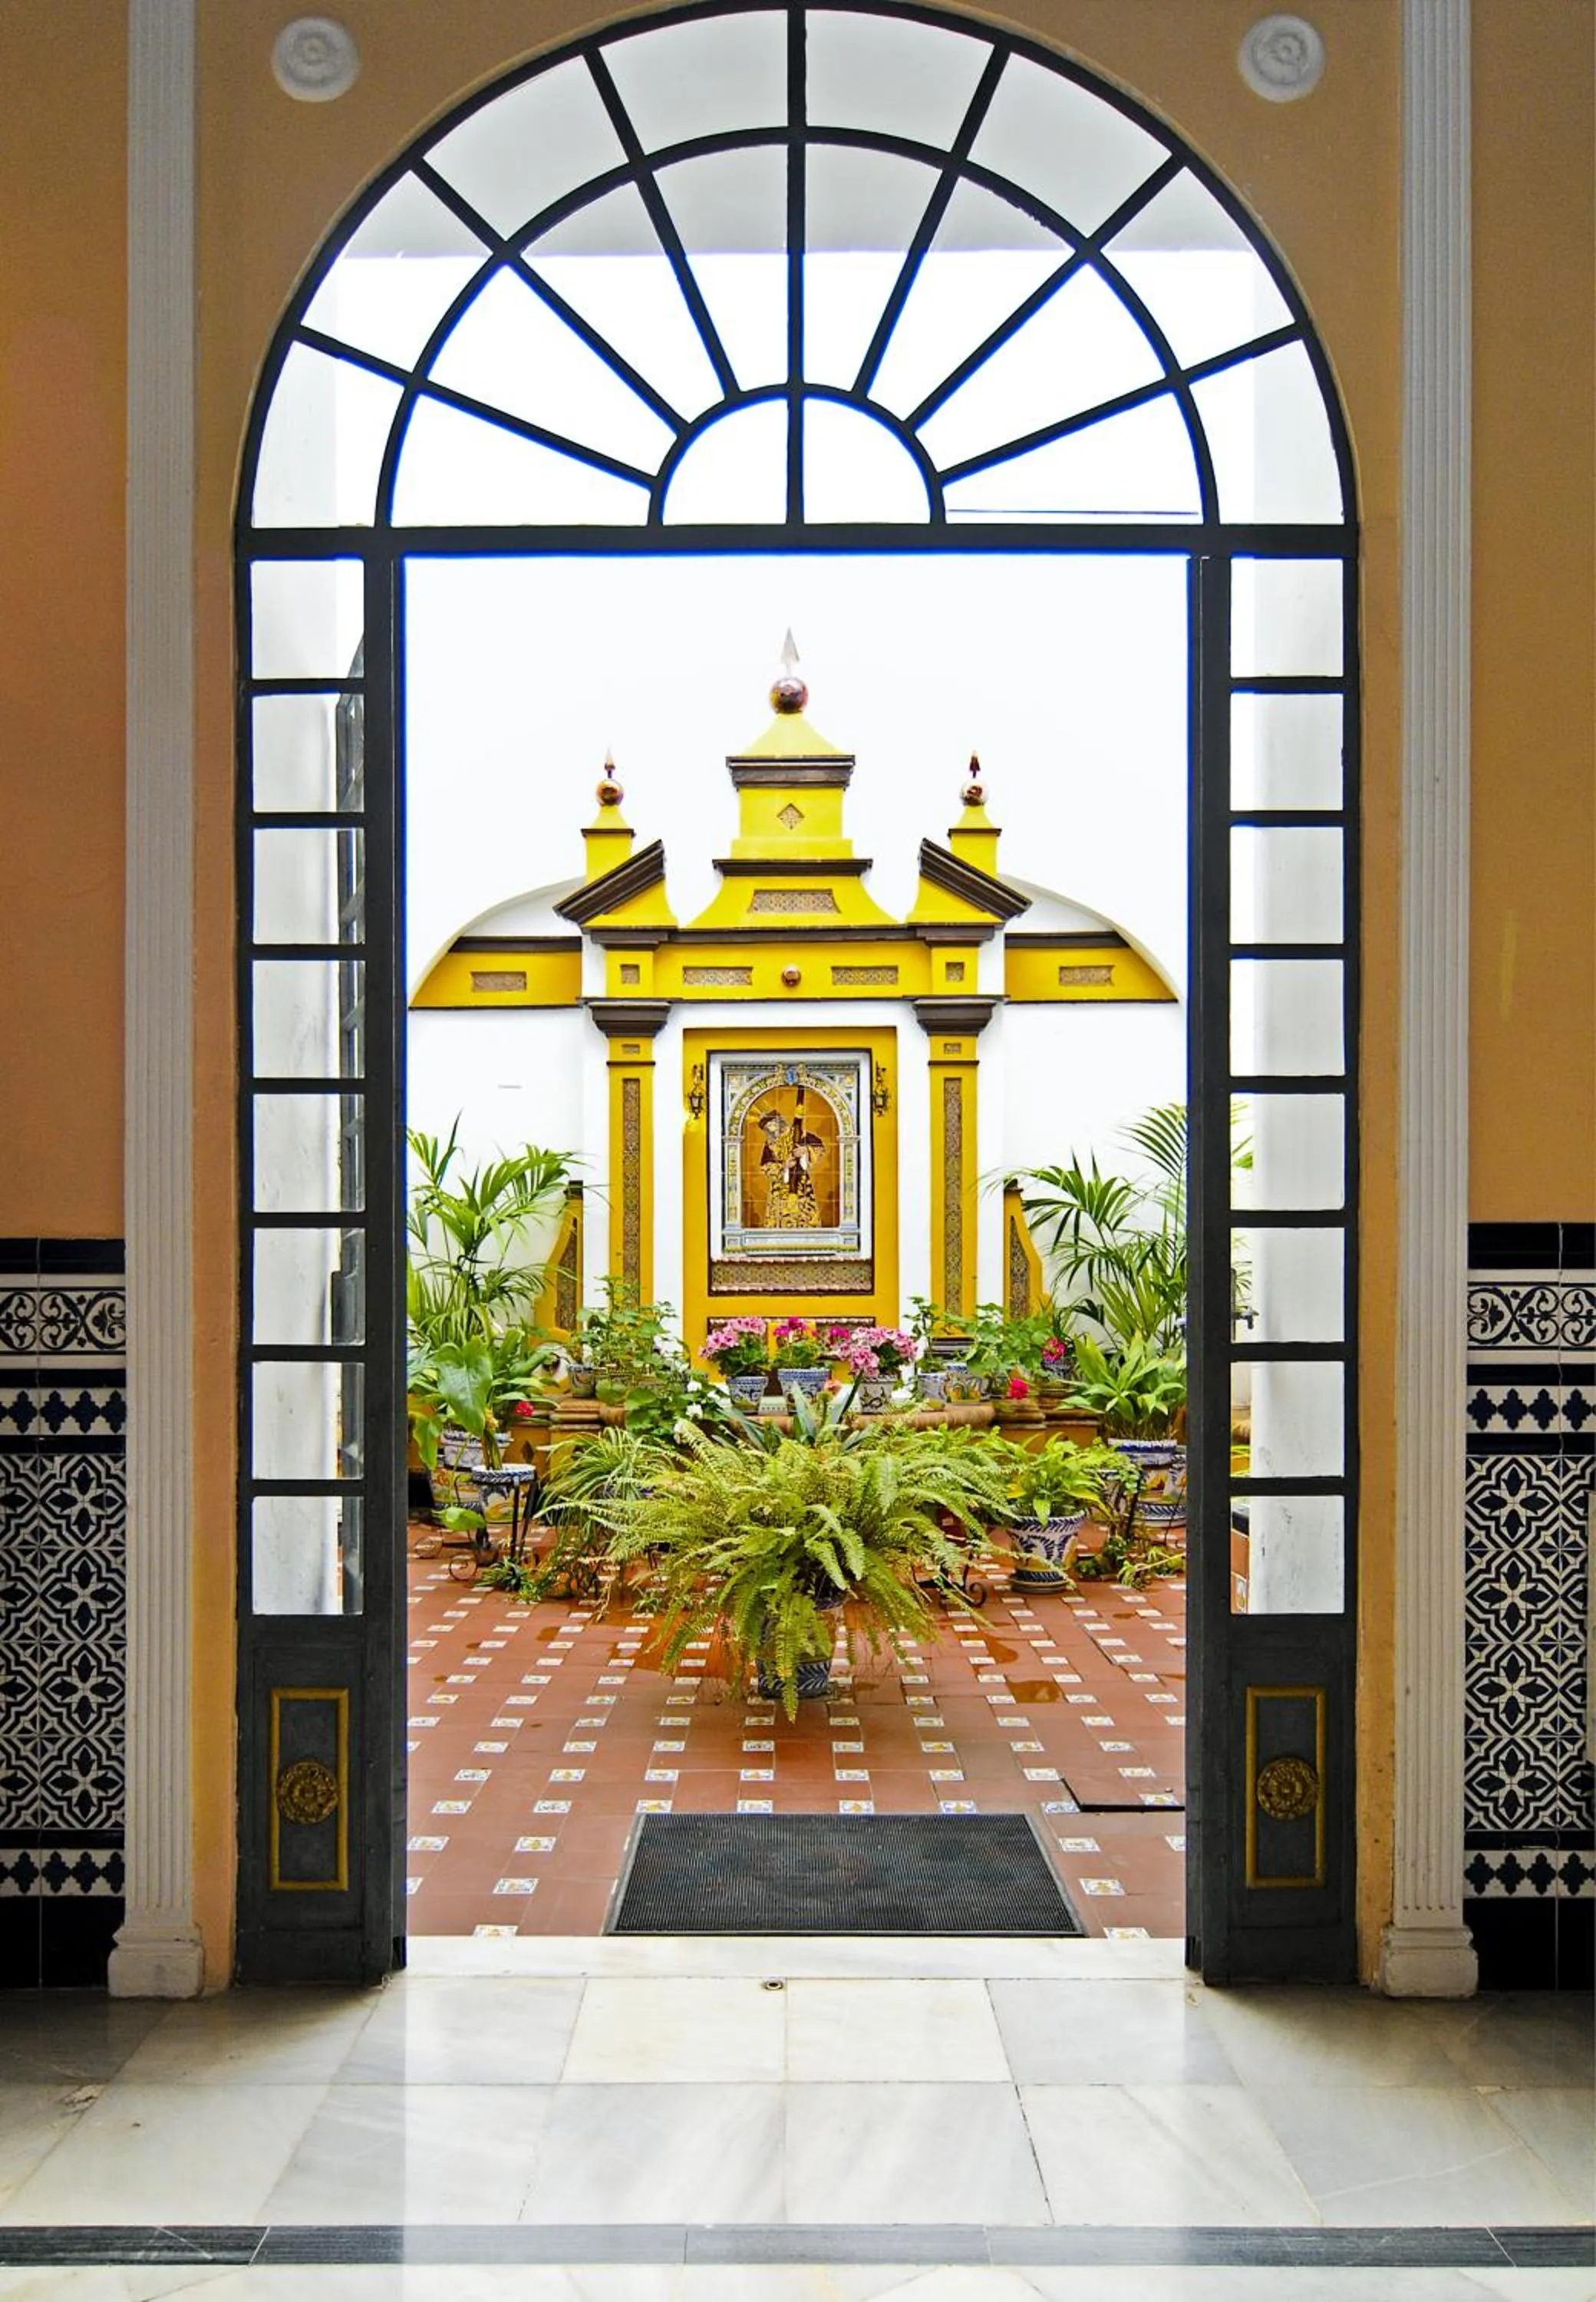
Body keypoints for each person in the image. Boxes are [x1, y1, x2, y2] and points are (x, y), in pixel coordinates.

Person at [757, 1087, 825, 1229]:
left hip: (801, 1184)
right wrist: (784, 1166)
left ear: (779, 1121)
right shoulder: (770, 1144)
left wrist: (805, 1150)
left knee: (804, 1215)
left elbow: (819, 1148)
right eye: (768, 1127)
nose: (772, 1128)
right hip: (780, 1188)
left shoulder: (800, 1134)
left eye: (772, 1123)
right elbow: (765, 1167)